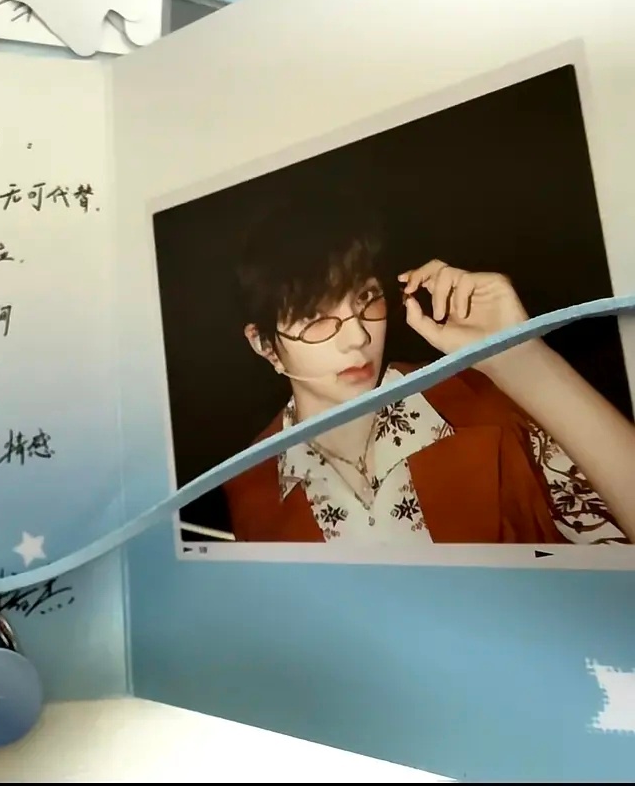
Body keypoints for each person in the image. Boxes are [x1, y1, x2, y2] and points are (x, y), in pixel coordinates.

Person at [224, 188, 635, 545]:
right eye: (314, 317)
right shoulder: (249, 486)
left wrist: (522, 358)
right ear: (265, 345)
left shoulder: (480, 399)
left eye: (366, 298)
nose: (358, 337)